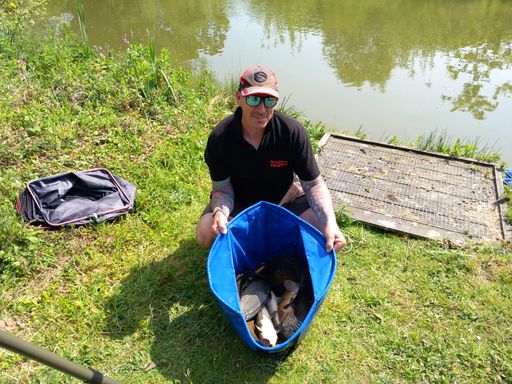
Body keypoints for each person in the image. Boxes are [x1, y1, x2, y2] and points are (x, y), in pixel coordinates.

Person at [196, 65, 346, 252]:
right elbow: (222, 191)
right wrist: (219, 212)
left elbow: (313, 184)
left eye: (269, 101)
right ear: (239, 98)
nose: (261, 109)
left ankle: (279, 244)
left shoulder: (292, 132)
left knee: (323, 229)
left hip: (284, 202)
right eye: (254, 99)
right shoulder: (220, 137)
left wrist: (330, 223)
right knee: (205, 233)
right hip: (241, 206)